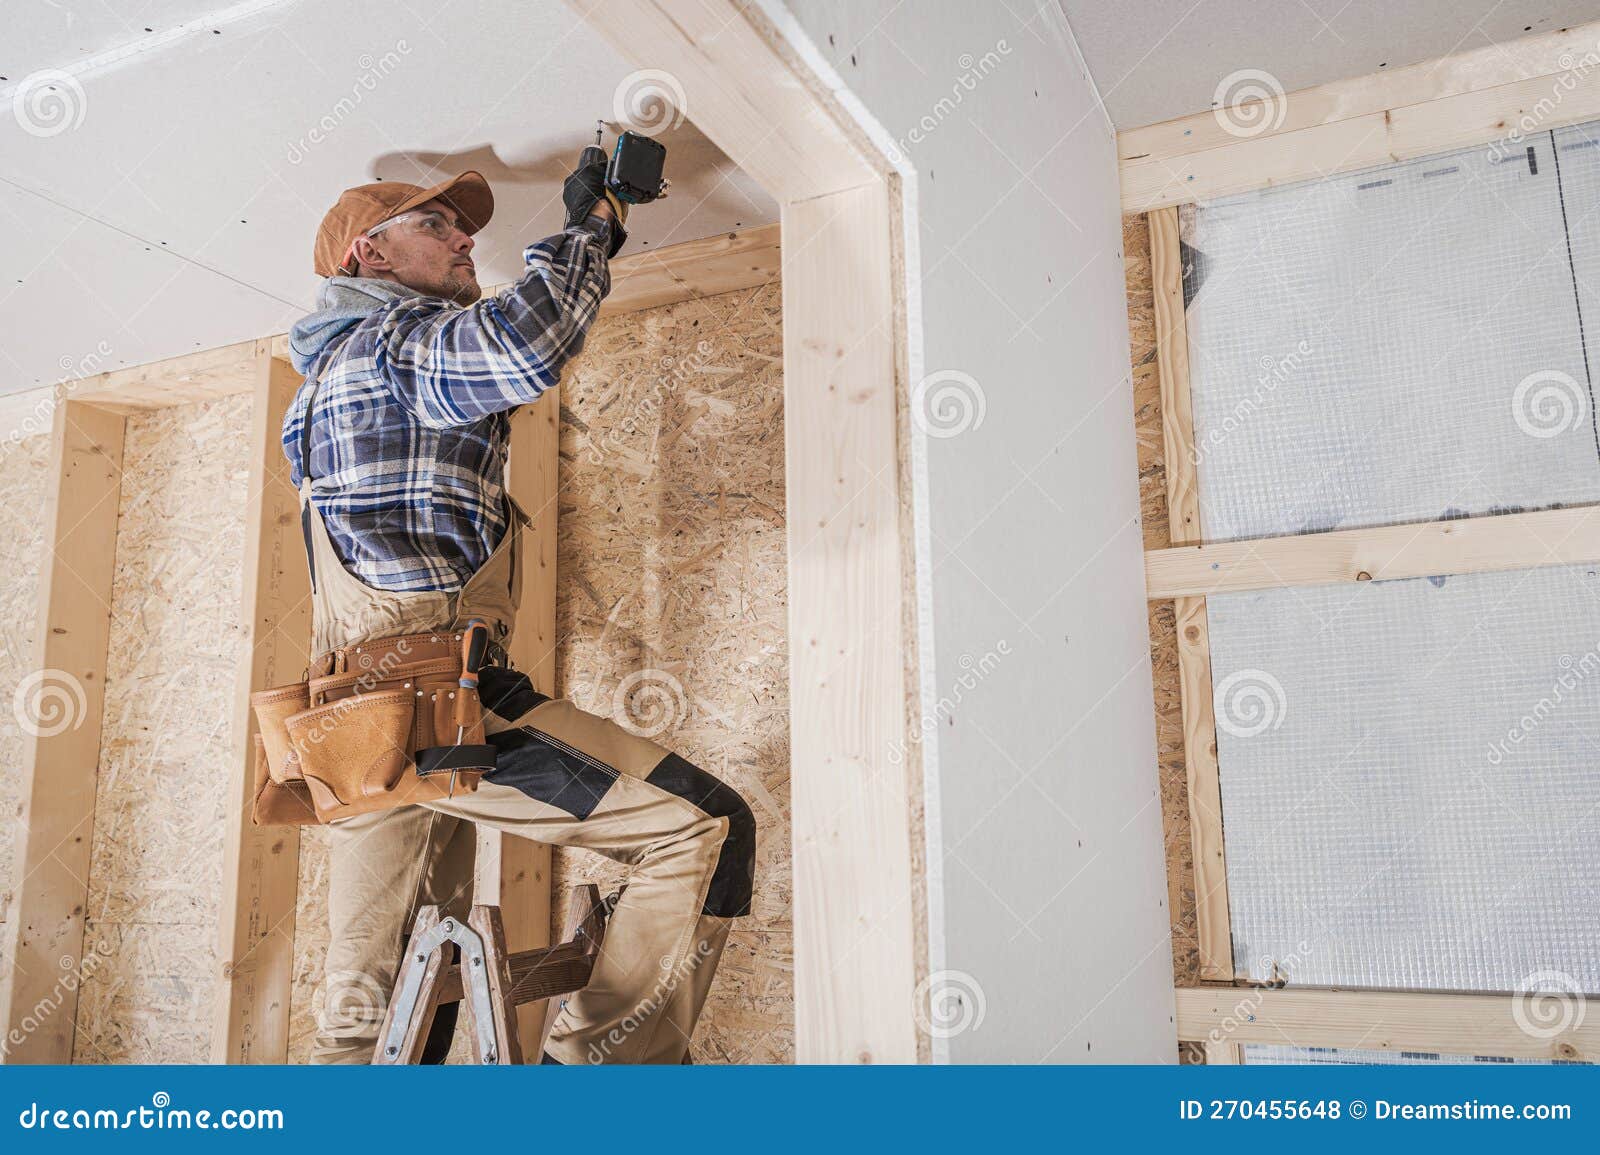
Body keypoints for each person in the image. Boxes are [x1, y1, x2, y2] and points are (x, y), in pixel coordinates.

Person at [283, 158, 754, 1065]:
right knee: (703, 826)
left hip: (357, 726)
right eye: (438, 227)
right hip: (432, 701)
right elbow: (525, 345)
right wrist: (592, 227)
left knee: (377, 1008)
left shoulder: (329, 382)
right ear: (366, 254)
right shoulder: (390, 346)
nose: (466, 239)